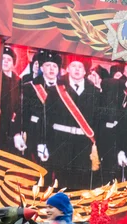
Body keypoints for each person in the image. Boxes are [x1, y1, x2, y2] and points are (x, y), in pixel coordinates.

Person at [44, 56, 101, 189]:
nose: (77, 69)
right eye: (74, 66)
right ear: (68, 68)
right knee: (60, 182)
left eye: (80, 67)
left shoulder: (95, 92)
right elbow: (47, 118)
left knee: (81, 182)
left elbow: (97, 121)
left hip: (83, 142)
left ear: (85, 71)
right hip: (59, 141)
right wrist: (44, 142)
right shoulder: (55, 90)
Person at [20, 50, 62, 163]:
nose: (52, 69)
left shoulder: (64, 88)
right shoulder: (30, 86)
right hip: (35, 132)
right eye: (48, 65)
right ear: (42, 68)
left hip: (57, 134)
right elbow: (24, 113)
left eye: (54, 66)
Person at [0, 46, 22, 155]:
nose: (5, 62)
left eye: (9, 60)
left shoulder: (18, 81)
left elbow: (20, 104)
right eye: (3, 59)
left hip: (13, 123)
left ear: (13, 63)